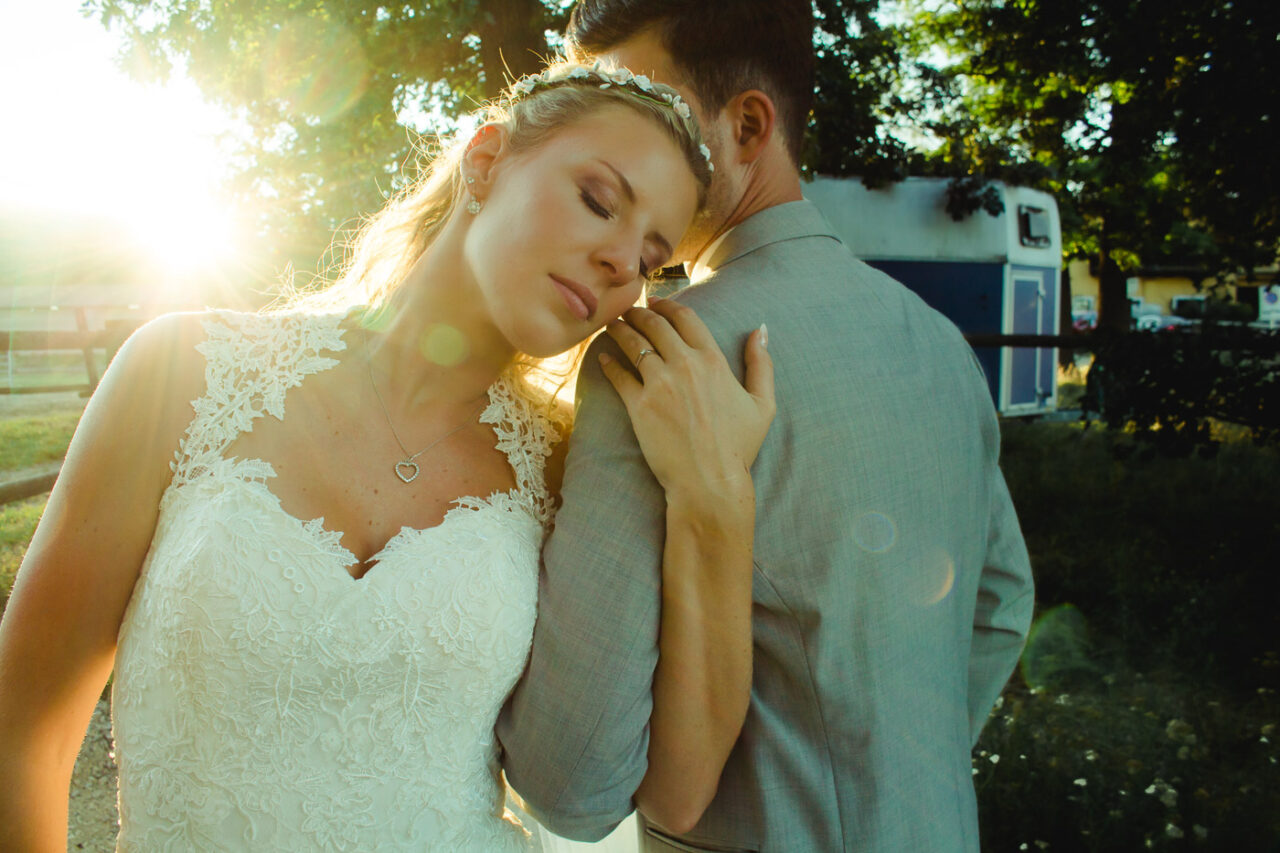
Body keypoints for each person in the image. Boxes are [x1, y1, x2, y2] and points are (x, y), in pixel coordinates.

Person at [0, 62, 775, 851]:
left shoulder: (565, 469)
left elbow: (677, 792)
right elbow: (20, 732)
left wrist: (716, 501)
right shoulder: (181, 371)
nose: (621, 265)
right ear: (485, 162)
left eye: (650, 261)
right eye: (598, 200)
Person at [498, 3, 1037, 852]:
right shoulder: (939, 340)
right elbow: (1003, 606)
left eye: (648, 105)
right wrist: (888, 784)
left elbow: (572, 786)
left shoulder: (661, 359)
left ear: (747, 124)